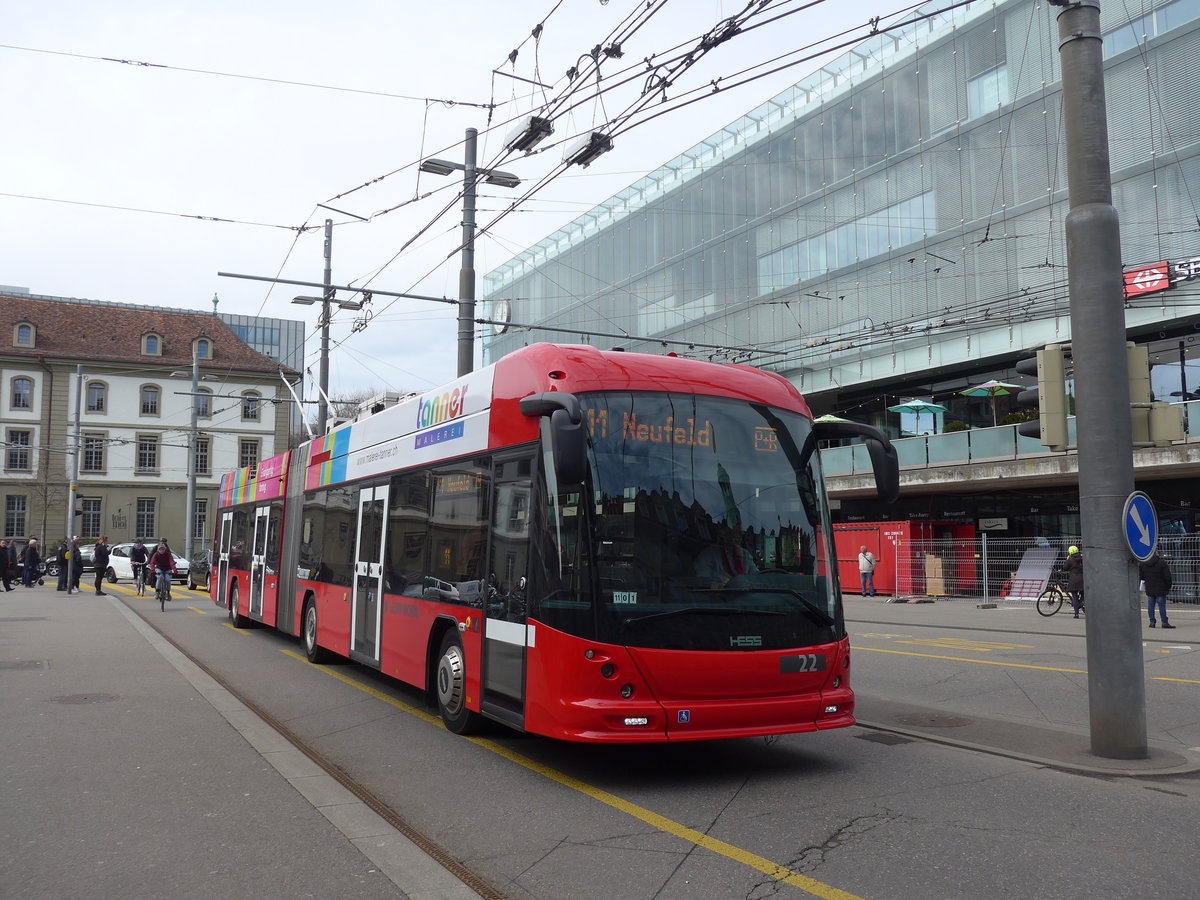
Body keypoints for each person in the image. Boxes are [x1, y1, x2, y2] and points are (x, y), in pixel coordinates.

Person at [1139, 549, 1175, 629]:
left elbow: (1141, 577)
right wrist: (1168, 586)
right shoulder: (1162, 563)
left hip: (1149, 587)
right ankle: (1164, 622)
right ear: (1157, 553)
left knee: (1151, 605)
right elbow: (1167, 576)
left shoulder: (1143, 563)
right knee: (1162, 606)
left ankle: (1152, 622)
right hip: (1161, 588)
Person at [1065, 545, 1085, 618]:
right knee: (1083, 593)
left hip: (1074, 580)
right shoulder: (1082, 558)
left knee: (1074, 596)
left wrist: (1067, 560)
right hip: (1083, 578)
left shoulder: (1070, 559)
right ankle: (1081, 602)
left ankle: (1076, 614)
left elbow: (1065, 568)